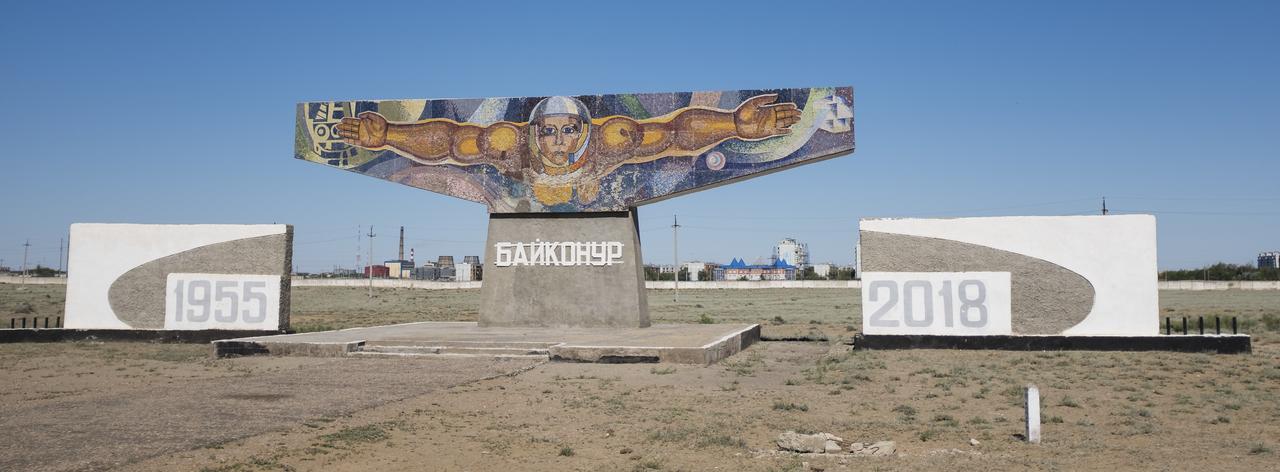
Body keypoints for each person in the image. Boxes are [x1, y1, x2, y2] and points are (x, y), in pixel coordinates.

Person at [336, 94, 800, 206]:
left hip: (596, 186)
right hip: (522, 189)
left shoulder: (610, 140)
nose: (558, 143)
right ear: (533, 132)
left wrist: (734, 124)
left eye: (568, 131)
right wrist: (390, 135)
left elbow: (677, 133)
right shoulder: (508, 145)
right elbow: (453, 144)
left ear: (584, 130)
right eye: (548, 132)